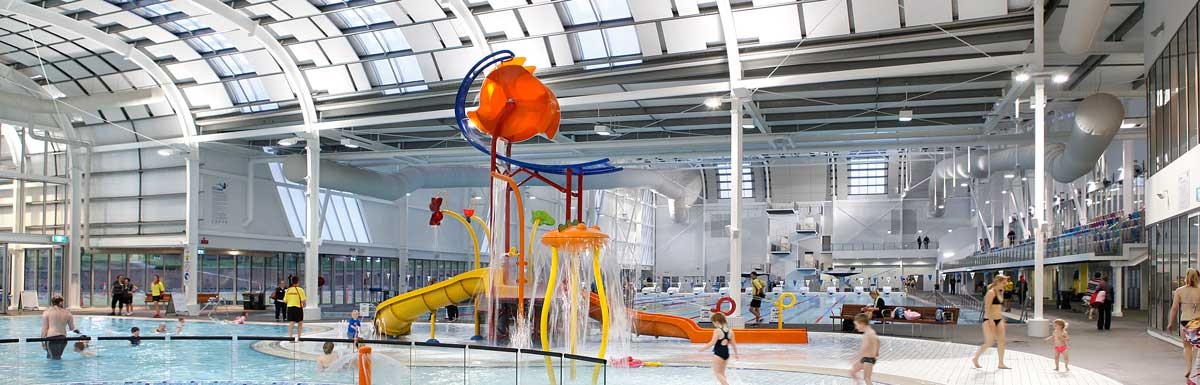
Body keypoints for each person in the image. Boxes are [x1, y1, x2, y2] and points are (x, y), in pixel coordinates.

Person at [972, 275, 1011, 370]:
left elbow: (998, 308)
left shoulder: (1000, 291)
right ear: (998, 282)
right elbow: (987, 308)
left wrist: (1002, 319)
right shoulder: (991, 292)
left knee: (1001, 341)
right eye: (1004, 283)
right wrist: (991, 321)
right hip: (989, 319)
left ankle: (1001, 363)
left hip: (999, 319)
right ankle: (975, 358)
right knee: (989, 342)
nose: (1005, 285)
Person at [1170, 268, 1200, 381]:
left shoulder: (1179, 291)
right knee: (1196, 347)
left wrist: (1170, 322)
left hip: (1185, 321)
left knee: (1187, 347)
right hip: (1197, 321)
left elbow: (1174, 308)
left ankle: (1188, 368)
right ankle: (1194, 370)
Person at [698, 313, 738, 385]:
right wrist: (736, 354)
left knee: (717, 373)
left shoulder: (717, 330)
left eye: (713, 322)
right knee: (722, 373)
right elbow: (733, 344)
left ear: (716, 321)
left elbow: (712, 343)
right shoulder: (730, 331)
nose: (713, 324)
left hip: (719, 354)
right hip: (726, 353)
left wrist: (702, 348)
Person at [849, 313, 879, 385]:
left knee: (867, 378)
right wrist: (877, 351)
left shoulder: (868, 334)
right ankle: (857, 383)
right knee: (852, 371)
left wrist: (856, 357)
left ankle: (858, 383)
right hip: (866, 358)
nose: (856, 327)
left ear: (862, 324)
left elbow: (864, 348)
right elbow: (878, 341)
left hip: (868, 359)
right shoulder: (871, 332)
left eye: (857, 325)